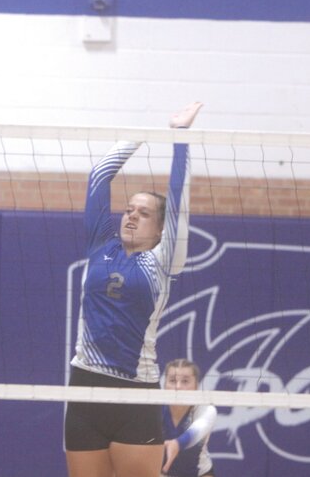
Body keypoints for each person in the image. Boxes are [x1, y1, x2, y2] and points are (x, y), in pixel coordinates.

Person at [64, 102, 203, 477]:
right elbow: (99, 175)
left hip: (135, 392)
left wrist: (179, 137)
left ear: (160, 230)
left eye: (143, 213)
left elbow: (178, 203)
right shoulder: (101, 245)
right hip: (84, 388)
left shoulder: (163, 260)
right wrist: (143, 134)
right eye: (128, 210)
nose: (131, 215)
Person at [160, 359, 216, 477]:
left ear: (196, 386)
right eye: (172, 381)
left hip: (199, 473)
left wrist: (177, 444)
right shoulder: (155, 407)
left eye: (185, 381)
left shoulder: (206, 409)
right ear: (165, 385)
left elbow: (198, 429)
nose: (178, 387)